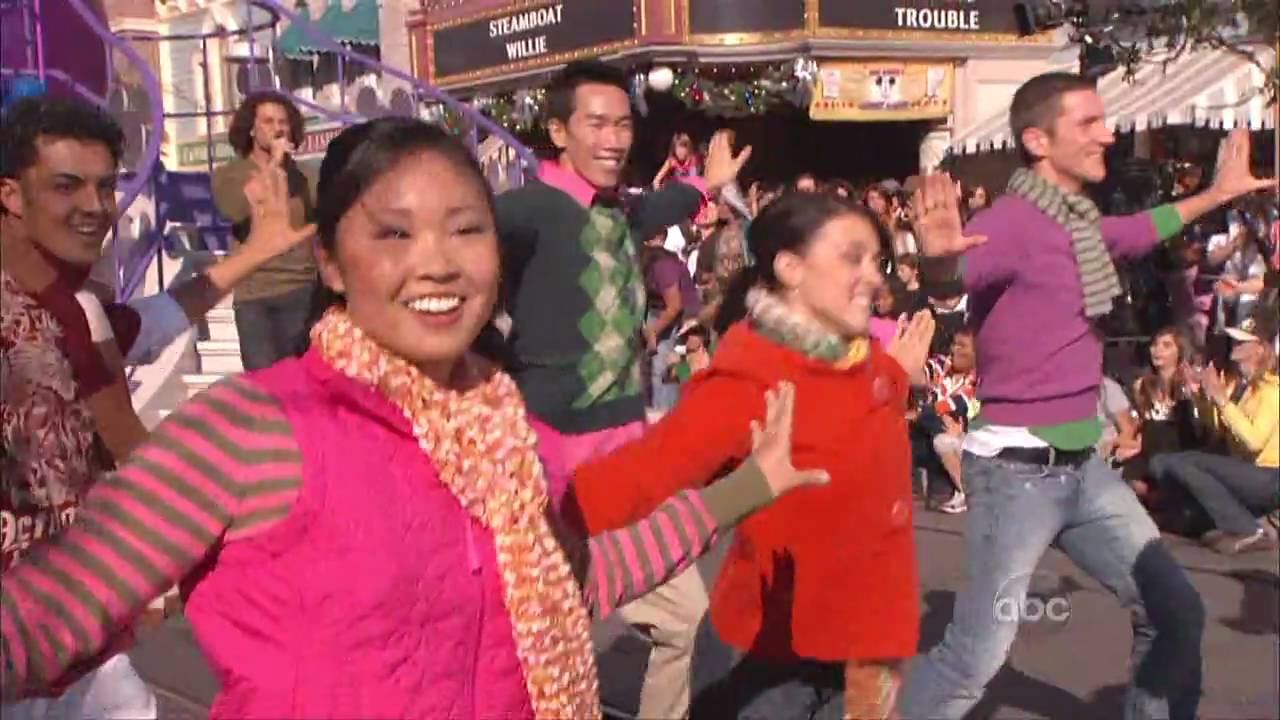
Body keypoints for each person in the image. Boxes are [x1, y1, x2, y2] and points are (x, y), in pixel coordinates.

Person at [0, 117, 829, 719]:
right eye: (393, 233)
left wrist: (750, 484)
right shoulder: (255, 429)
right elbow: (52, 609)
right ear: (329, 258)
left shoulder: (498, 430)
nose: (436, 261)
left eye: (465, 230)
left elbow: (571, 580)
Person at [902, 71, 1274, 720]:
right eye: (1089, 124)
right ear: (1037, 141)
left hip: (1084, 469)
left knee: (1175, 613)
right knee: (973, 659)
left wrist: (1216, 192)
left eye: (1106, 121)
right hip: (1016, 475)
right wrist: (935, 260)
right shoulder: (1011, 224)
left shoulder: (1078, 222)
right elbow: (953, 276)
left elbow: (1135, 232)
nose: (1109, 133)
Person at [0, 96, 315, 720]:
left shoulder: (72, 301)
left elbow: (145, 326)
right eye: (67, 187)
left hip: (80, 638)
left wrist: (254, 254)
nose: (94, 206)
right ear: (12, 195)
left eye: (104, 185)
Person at [573, 192, 937, 719]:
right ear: (790, 267)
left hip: (865, 651)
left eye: (876, 261)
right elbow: (642, 476)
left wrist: (908, 360)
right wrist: (533, 528)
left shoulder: (864, 360)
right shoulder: (752, 379)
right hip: (771, 662)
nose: (874, 277)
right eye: (851, 258)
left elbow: (854, 410)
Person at [495, 59, 750, 469]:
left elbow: (659, 205)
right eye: (596, 125)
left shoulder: (620, 209)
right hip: (553, 443)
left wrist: (710, 183)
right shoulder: (522, 210)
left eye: (623, 125)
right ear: (558, 131)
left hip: (626, 432)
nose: (613, 140)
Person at [1149, 306, 1279, 554]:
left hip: (1270, 476)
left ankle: (1249, 529)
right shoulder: (1238, 385)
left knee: (1186, 463)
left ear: (1260, 349)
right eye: (1234, 340)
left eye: (1242, 342)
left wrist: (1221, 400)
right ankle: (1249, 521)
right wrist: (1201, 397)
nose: (1234, 346)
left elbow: (1254, 442)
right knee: (1163, 463)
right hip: (1242, 471)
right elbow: (1216, 430)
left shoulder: (1272, 390)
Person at [212, 90, 318, 371]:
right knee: (264, 389)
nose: (278, 129)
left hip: (301, 290)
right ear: (251, 129)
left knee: (302, 385)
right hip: (254, 296)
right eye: (269, 122)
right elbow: (234, 210)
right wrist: (273, 165)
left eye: (283, 122)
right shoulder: (229, 174)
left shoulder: (307, 176)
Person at [641, 227, 702, 415]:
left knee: (663, 372)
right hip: (658, 313)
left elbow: (674, 305)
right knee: (653, 372)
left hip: (677, 319)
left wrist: (653, 331)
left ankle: (664, 419)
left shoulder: (662, 264)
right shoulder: (649, 261)